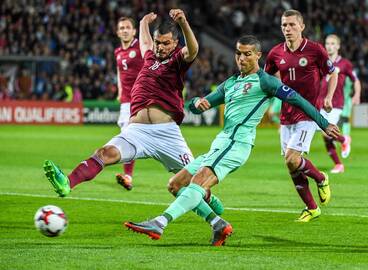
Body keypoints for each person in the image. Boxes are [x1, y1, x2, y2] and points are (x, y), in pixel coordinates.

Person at [124, 35, 340, 246]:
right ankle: (218, 223)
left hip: (238, 144)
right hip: (221, 143)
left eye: (247, 54)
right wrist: (196, 102)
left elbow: (298, 100)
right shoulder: (231, 83)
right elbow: (198, 106)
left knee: (199, 181)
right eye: (238, 53)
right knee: (175, 184)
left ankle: (159, 223)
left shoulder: (265, 81)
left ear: (258, 56)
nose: (242, 58)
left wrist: (324, 124)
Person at [43, 10, 224, 218]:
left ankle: (209, 199)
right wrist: (143, 23)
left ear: (175, 44)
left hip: (167, 135)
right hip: (137, 131)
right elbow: (145, 43)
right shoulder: (149, 57)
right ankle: (67, 183)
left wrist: (183, 23)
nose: (160, 47)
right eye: (158, 42)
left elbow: (193, 49)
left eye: (165, 43)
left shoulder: (177, 61)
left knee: (193, 181)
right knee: (105, 153)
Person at [264, 9, 338, 222]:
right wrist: (270, 103)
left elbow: (333, 73)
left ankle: (321, 177)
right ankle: (312, 208)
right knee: (290, 164)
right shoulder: (275, 53)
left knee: (292, 158)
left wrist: (329, 97)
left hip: (308, 114)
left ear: (302, 27)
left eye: (292, 25)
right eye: (284, 25)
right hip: (286, 115)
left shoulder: (316, 51)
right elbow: (268, 80)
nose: (287, 29)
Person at [318, 34, 361, 173]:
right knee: (326, 137)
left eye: (332, 43)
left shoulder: (345, 63)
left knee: (326, 132)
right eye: (327, 43)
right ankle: (338, 165)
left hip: (336, 103)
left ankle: (344, 140)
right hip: (320, 102)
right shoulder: (322, 62)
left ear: (338, 46)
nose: (329, 46)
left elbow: (356, 80)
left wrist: (357, 94)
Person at [114, 17, 144, 190]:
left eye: (128, 27)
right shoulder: (117, 51)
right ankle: (128, 176)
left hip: (142, 99)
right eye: (121, 28)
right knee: (128, 137)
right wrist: (119, 90)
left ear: (134, 31)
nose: (124, 30)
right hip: (126, 101)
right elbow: (119, 71)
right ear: (118, 32)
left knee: (132, 138)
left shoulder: (141, 47)